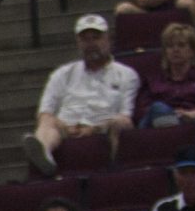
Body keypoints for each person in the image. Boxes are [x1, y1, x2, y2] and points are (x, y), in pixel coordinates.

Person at [25, 15, 139, 174]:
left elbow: (126, 116)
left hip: (104, 127)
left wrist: (94, 129)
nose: (91, 44)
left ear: (108, 39)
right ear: (78, 42)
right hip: (65, 128)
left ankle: (114, 172)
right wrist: (64, 126)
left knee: (121, 123)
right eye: (85, 39)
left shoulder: (126, 74)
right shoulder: (62, 74)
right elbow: (45, 112)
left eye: (96, 38)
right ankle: (45, 156)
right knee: (47, 122)